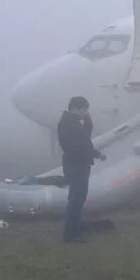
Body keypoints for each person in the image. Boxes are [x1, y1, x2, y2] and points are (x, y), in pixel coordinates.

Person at [57, 96, 106, 243]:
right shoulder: (69, 123)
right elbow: (81, 144)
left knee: (77, 197)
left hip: (77, 163)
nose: (86, 113)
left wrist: (88, 125)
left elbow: (83, 140)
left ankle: (74, 229)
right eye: (85, 109)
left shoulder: (71, 122)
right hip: (76, 164)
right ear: (77, 108)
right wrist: (95, 154)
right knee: (76, 199)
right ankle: (71, 235)